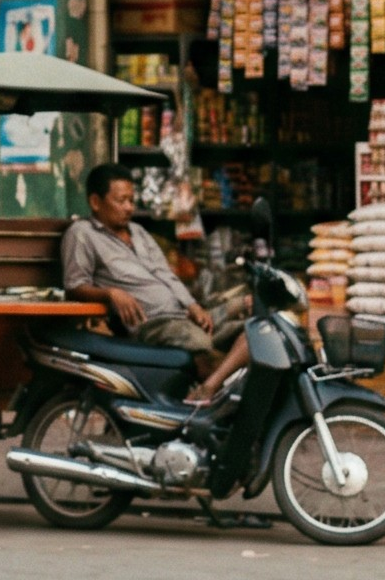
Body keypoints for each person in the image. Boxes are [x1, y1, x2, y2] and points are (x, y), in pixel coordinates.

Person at [60, 163, 248, 401]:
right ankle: (207, 392)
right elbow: (74, 287)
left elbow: (166, 274)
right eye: (121, 201)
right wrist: (110, 294)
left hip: (181, 315)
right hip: (153, 323)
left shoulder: (138, 232)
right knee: (201, 346)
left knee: (253, 329)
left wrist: (192, 306)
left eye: (131, 200)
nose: (129, 208)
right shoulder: (82, 234)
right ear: (96, 202)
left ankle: (229, 395)